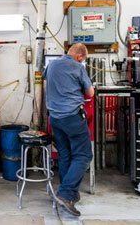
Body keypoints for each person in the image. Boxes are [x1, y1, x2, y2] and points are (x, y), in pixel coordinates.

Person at [44, 43, 94, 217]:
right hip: (72, 116)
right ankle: (65, 193)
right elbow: (90, 93)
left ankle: (68, 194)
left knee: (65, 154)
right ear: (80, 56)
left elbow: (49, 81)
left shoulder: (52, 64)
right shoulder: (78, 67)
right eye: (84, 59)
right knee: (84, 155)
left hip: (55, 118)